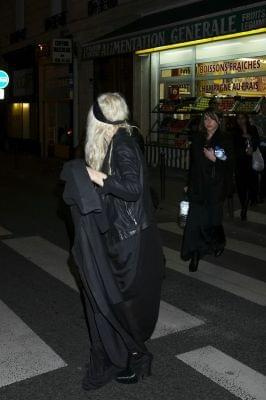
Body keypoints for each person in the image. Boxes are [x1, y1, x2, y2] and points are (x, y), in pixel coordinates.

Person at [61, 93, 164, 389]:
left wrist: (96, 176)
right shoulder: (118, 139)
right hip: (125, 233)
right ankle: (126, 352)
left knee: (123, 300)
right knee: (115, 296)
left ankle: (137, 358)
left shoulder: (123, 143)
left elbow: (132, 188)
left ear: (99, 118)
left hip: (131, 238)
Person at [181, 109, 233, 272]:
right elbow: (193, 164)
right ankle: (195, 254)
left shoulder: (225, 139)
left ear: (219, 122)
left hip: (215, 188)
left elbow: (230, 165)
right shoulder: (197, 139)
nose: (208, 122)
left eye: (212, 119)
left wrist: (215, 159)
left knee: (212, 221)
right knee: (194, 222)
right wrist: (188, 183)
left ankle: (218, 242)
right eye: (206, 119)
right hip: (198, 187)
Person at [233, 113, 260, 220]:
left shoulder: (252, 129)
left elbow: (257, 141)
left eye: (242, 118)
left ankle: (251, 200)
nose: (240, 120)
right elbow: (233, 146)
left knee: (251, 183)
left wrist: (250, 139)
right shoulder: (234, 131)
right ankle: (244, 205)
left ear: (246, 119)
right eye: (238, 118)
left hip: (251, 161)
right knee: (240, 185)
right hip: (239, 162)